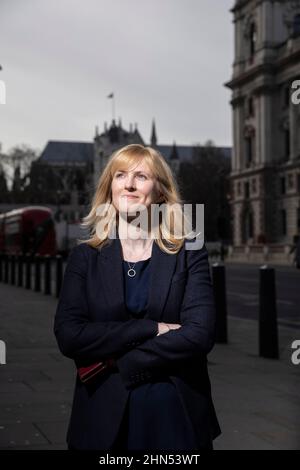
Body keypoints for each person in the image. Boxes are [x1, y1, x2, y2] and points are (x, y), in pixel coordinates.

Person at [54, 144, 221, 451]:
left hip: (175, 414)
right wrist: (151, 328)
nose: (128, 184)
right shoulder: (84, 257)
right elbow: (69, 336)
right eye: (120, 175)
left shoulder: (189, 252)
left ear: (160, 192)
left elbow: (200, 334)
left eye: (141, 176)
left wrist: (118, 359)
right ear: (110, 188)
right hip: (101, 417)